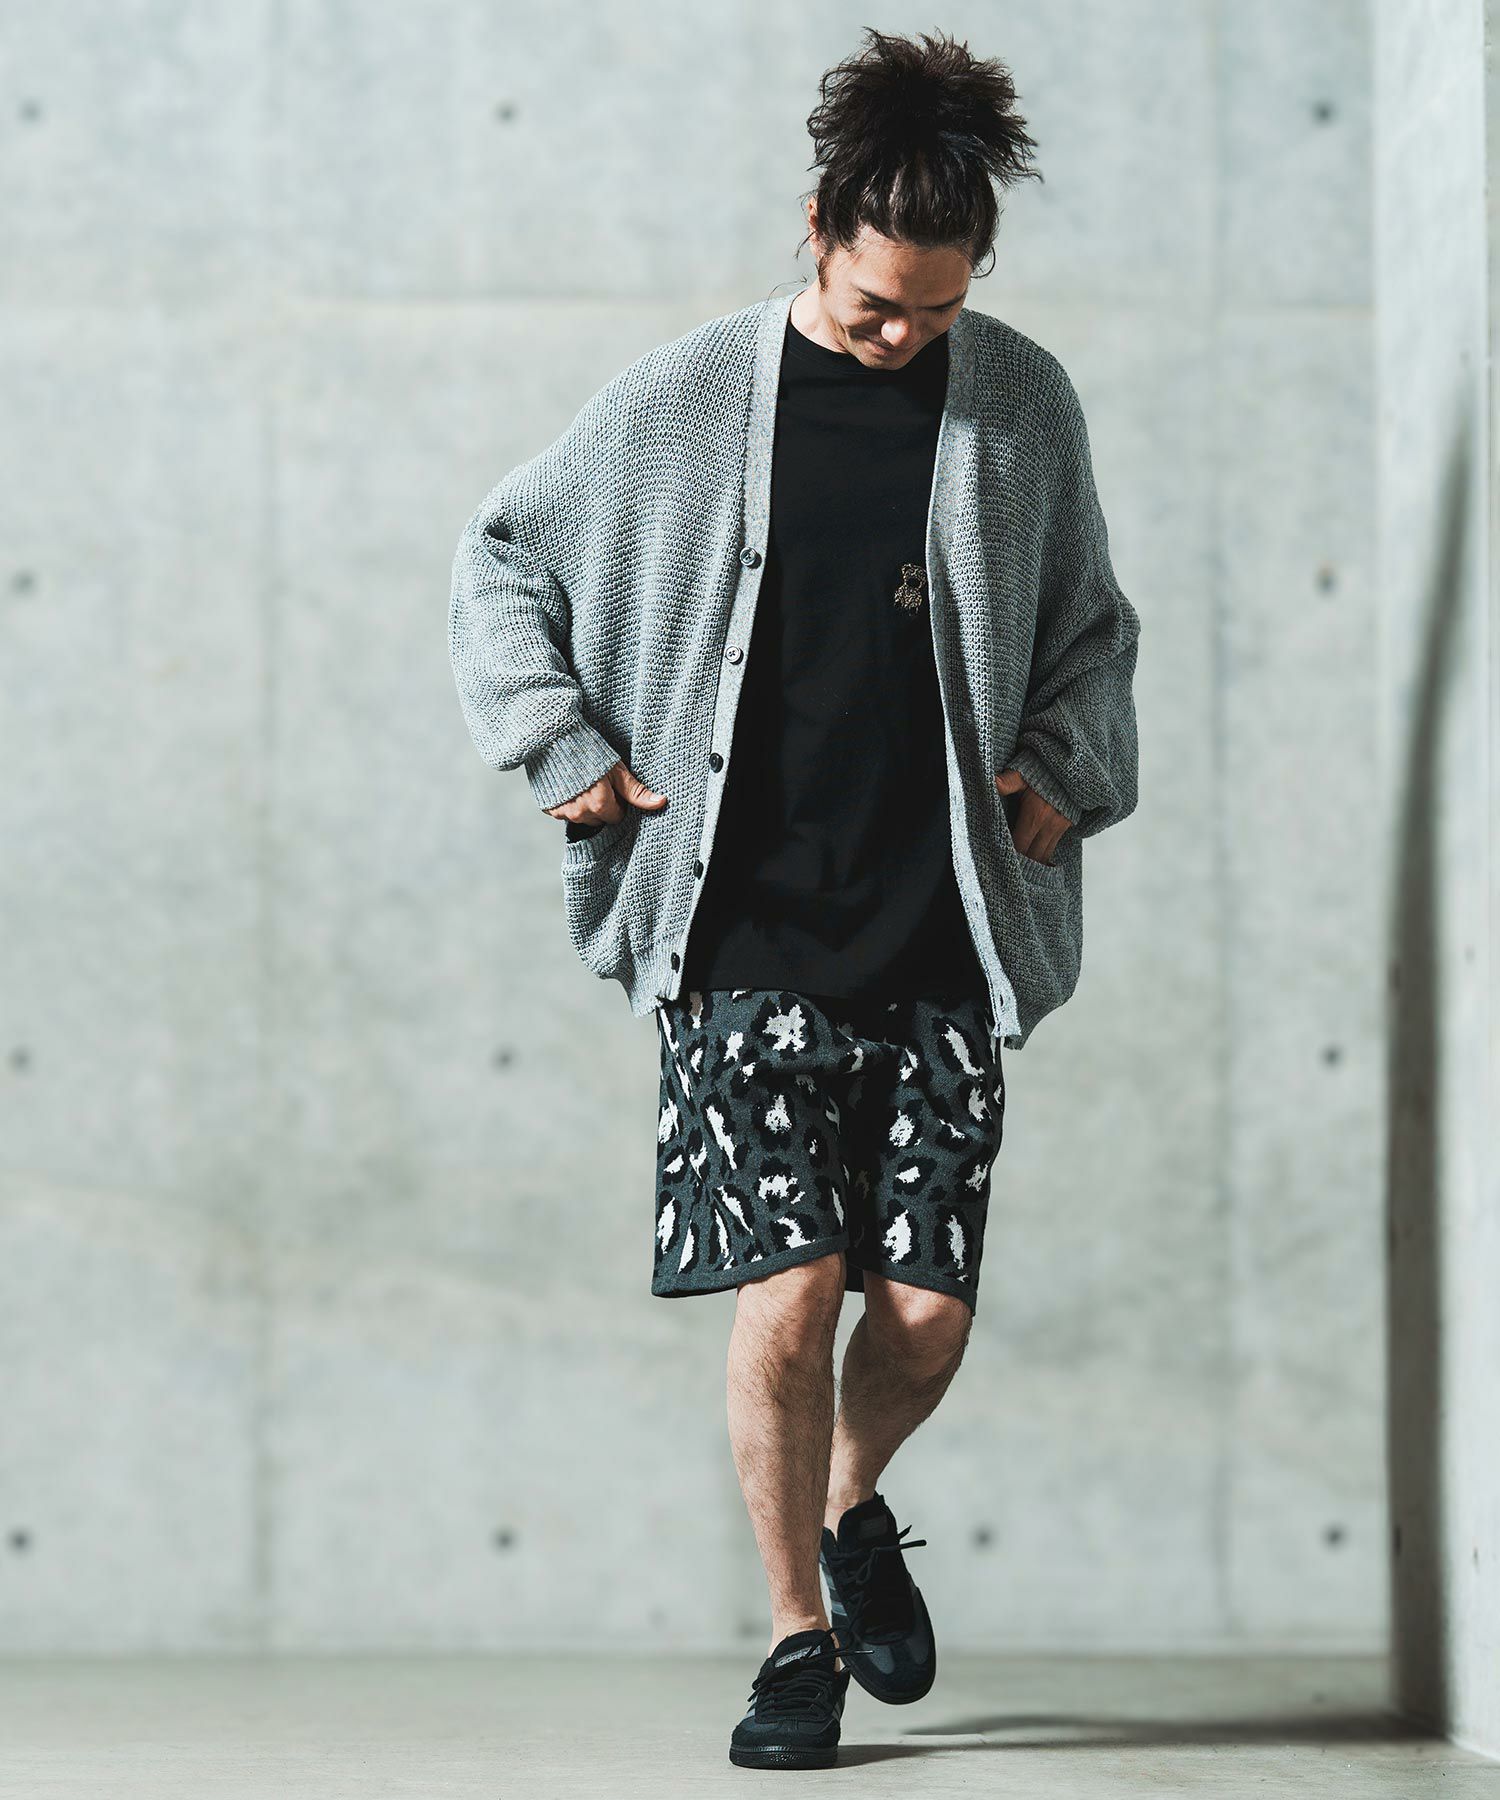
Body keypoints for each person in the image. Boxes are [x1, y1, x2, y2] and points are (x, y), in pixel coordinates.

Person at [448, 26, 1141, 1773]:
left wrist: (1063, 770)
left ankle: (850, 1506)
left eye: (939, 309)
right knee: (793, 1288)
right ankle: (794, 1642)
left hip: (940, 922)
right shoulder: (693, 395)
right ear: (818, 227)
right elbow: (502, 552)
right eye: (877, 305)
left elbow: (1094, 629)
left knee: (926, 1313)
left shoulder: (1020, 404)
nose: (905, 337)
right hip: (745, 915)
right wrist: (558, 744)